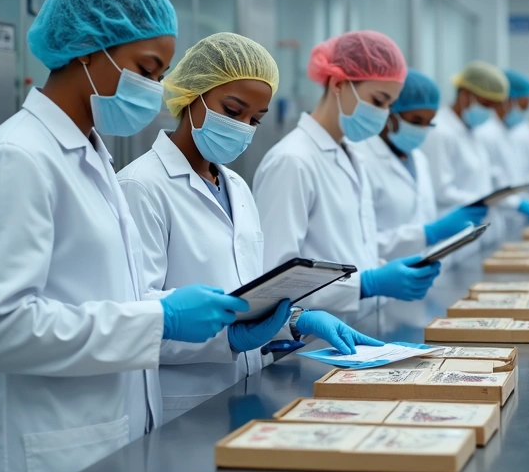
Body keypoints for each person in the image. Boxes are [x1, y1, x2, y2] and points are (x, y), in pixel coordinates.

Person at [0, 0, 249, 472]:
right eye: (146, 69)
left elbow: (106, 297)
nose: (154, 91)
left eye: (160, 75)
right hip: (36, 462)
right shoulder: (18, 159)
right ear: (88, 50)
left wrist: (216, 324)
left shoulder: (89, 157)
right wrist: (160, 319)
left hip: (100, 448)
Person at [117, 33, 381, 423]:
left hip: (246, 391)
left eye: (254, 120)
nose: (242, 127)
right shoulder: (141, 186)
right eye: (232, 110)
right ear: (193, 94)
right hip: (184, 406)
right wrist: (228, 337)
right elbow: (135, 320)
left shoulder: (236, 186)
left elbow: (248, 292)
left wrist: (292, 321)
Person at [253, 31, 442, 317]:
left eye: (389, 105)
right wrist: (364, 285)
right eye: (378, 101)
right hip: (314, 335)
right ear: (339, 83)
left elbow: (351, 250)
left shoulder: (352, 155)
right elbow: (274, 280)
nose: (384, 114)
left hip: (359, 325)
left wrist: (385, 271)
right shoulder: (292, 161)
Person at [353, 69, 488, 260]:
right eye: (416, 121)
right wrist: (428, 233)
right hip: (383, 271)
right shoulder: (361, 159)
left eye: (429, 122)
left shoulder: (418, 159)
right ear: (389, 111)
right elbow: (362, 242)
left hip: (422, 267)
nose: (422, 129)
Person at [421, 61, 529, 234]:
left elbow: (482, 178)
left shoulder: (473, 131)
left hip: (478, 229)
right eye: (486, 104)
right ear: (465, 95)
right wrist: (484, 201)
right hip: (452, 230)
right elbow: (440, 191)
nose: (491, 111)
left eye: (495, 105)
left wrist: (499, 197)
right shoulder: (440, 131)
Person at [471, 70, 529, 241]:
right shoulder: (486, 133)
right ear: (507, 100)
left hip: (508, 218)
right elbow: (491, 184)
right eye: (523, 106)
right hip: (498, 215)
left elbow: (517, 177)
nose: (525, 112)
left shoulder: (507, 133)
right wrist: (517, 204)